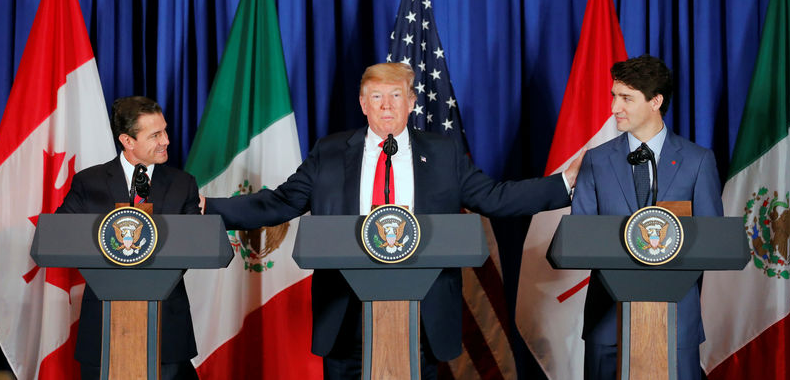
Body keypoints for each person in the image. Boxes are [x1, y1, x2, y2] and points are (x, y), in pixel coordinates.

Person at [201, 62, 582, 380]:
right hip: (347, 313)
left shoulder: (443, 152)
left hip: (422, 314)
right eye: (378, 97)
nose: (387, 106)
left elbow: (495, 197)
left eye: (396, 95)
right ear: (363, 103)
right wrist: (209, 208)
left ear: (412, 102)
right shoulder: (330, 152)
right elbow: (281, 203)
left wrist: (564, 183)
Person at [571, 55, 723, 380]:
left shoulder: (698, 161)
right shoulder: (596, 161)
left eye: (626, 98)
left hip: (676, 321)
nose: (614, 107)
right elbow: (579, 237)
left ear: (656, 101)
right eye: (614, 96)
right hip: (607, 322)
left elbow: (713, 241)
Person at [56, 96, 200, 380]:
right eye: (155, 135)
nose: (166, 141)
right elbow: (60, 235)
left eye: (165, 131)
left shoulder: (184, 184)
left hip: (166, 328)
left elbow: (194, 245)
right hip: (103, 328)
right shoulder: (89, 183)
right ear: (127, 140)